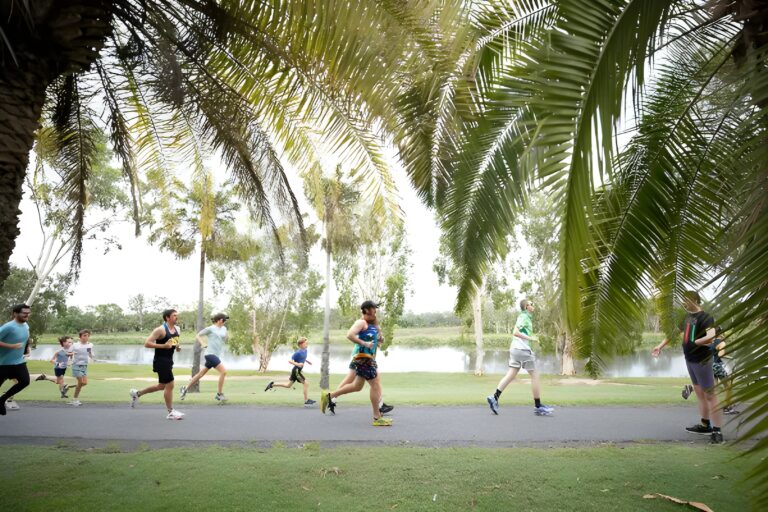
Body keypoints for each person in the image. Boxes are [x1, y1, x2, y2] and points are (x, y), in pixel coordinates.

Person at [652, 291, 722, 443]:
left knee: (710, 395)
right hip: (689, 360)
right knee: (699, 394)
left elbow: (711, 337)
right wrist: (660, 346)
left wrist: (696, 342)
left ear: (694, 300)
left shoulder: (706, 317)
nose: (683, 303)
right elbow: (674, 333)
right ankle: (705, 425)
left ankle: (718, 432)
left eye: (685, 300)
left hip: (702, 360)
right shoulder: (687, 317)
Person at [320, 300, 392, 426]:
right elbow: (350, 335)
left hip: (369, 358)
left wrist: (380, 338)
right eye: (374, 309)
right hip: (363, 358)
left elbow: (377, 342)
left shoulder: (372, 325)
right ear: (367, 310)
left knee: (357, 386)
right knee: (375, 385)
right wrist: (364, 343)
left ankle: (329, 396)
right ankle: (377, 417)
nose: (375, 312)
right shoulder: (361, 322)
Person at [486, 299, 554, 416]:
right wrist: (531, 338)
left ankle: (494, 397)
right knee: (535, 376)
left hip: (515, 349)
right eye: (531, 304)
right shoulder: (524, 317)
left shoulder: (525, 317)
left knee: (511, 374)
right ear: (526, 306)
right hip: (522, 349)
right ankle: (538, 406)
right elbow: (515, 332)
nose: (533, 305)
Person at [129, 309, 185, 420]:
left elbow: (173, 343)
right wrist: (163, 346)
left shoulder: (177, 329)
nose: (177, 317)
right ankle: (170, 412)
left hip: (169, 360)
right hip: (161, 361)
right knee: (170, 385)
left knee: (161, 386)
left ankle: (137, 393)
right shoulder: (160, 330)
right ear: (167, 318)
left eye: (177, 315)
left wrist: (177, 347)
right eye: (174, 315)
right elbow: (147, 343)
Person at [180, 313, 230, 402]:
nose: (225, 322)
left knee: (200, 374)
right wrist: (203, 343)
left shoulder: (224, 329)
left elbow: (224, 338)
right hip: (210, 354)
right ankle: (219, 394)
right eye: (224, 320)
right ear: (219, 320)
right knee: (223, 372)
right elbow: (198, 335)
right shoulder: (210, 329)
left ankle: (185, 388)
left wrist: (226, 337)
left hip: (216, 355)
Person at [0, 304, 32, 416]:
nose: (27, 315)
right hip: (3, 363)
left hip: (18, 362)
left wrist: (27, 348)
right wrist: (11, 346)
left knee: (25, 381)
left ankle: (2, 400)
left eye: (28, 313)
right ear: (15, 313)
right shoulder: (8, 327)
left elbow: (26, 338)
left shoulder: (26, 325)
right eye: (24, 313)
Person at [265, 337, 316, 406]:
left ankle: (272, 385)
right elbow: (290, 361)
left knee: (288, 385)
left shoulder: (305, 350)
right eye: (305, 343)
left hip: (296, 370)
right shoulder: (297, 353)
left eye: (307, 343)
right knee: (306, 383)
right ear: (301, 345)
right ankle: (306, 401)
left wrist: (307, 361)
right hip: (296, 371)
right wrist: (298, 364)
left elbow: (303, 357)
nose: (307, 344)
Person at [711, 330, 738, 415]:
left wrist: (729, 357)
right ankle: (727, 408)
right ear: (721, 334)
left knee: (713, 387)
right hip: (717, 366)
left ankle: (691, 388)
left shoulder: (711, 342)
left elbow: (715, 354)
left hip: (710, 365)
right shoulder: (722, 343)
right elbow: (720, 355)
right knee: (728, 386)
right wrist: (730, 357)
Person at [69, 329, 94, 406]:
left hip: (84, 366)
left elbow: (90, 354)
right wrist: (72, 355)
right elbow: (69, 353)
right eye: (84, 335)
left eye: (88, 336)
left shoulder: (90, 345)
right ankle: (74, 400)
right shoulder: (75, 345)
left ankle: (68, 387)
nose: (86, 337)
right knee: (80, 382)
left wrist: (91, 354)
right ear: (80, 337)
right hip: (76, 365)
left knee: (84, 383)